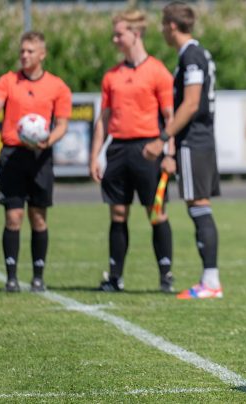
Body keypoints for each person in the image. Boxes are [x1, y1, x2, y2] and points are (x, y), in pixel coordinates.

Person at [90, 9, 176, 293]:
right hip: (118, 150)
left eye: (119, 34)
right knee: (117, 213)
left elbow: (170, 117)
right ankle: (115, 277)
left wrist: (169, 154)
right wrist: (95, 155)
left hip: (148, 149)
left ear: (135, 34)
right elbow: (104, 118)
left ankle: (166, 276)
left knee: (156, 213)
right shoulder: (111, 76)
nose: (115, 39)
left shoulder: (158, 71)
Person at [0, 31, 72, 293]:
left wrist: (48, 140)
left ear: (42, 54)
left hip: (40, 157)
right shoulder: (8, 81)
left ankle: (38, 277)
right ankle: (11, 278)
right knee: (14, 217)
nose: (24, 55)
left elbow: (62, 125)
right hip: (12, 155)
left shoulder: (57, 86)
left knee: (38, 218)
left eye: (30, 51)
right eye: (22, 51)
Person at [161, 1, 223, 299]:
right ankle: (209, 280)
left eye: (163, 25)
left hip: (194, 140)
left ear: (172, 26)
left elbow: (190, 103)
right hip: (201, 139)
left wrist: (164, 137)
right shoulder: (195, 54)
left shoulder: (191, 55)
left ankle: (210, 282)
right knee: (198, 205)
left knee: (199, 205)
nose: (162, 31)